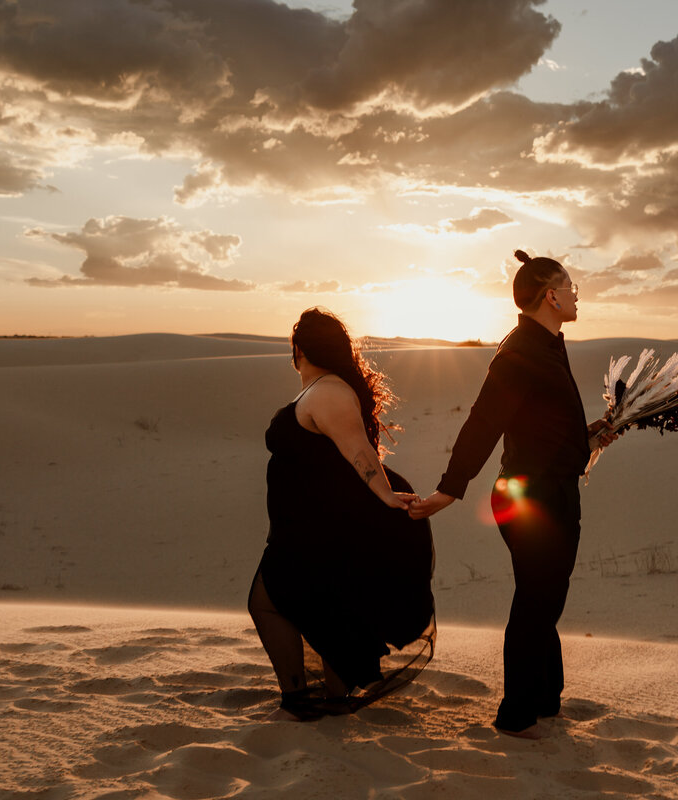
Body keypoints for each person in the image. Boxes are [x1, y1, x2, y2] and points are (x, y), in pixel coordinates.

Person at [409, 250, 618, 738]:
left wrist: (593, 434)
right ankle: (518, 713)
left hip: (551, 490)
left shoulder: (548, 344)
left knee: (544, 598)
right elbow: (484, 423)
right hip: (532, 498)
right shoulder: (521, 353)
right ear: (550, 295)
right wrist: (448, 490)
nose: (575, 294)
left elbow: (543, 427)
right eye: (570, 287)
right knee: (537, 601)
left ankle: (544, 699)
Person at [249, 308, 435, 721]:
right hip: (310, 526)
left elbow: (358, 451)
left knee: (267, 600)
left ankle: (303, 700)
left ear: (297, 349)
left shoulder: (328, 391)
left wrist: (386, 495)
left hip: (314, 531)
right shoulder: (322, 388)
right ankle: (329, 700)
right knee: (328, 610)